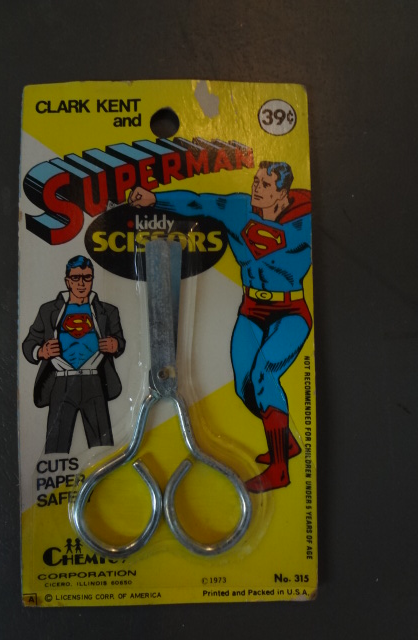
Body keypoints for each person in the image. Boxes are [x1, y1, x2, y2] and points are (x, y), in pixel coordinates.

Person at [129, 161, 311, 493]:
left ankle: (280, 468)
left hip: (290, 312)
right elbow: (197, 202)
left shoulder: (304, 223)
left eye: (265, 185)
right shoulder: (239, 209)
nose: (256, 188)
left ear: (282, 193)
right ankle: (283, 439)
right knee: (244, 387)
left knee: (264, 376)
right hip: (251, 309)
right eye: (256, 181)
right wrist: (155, 199)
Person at [22, 256, 125, 454]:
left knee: (103, 446)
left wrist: (115, 345)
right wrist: (41, 351)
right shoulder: (48, 311)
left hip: (94, 381)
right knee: (55, 447)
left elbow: (120, 341)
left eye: (86, 278)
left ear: (92, 279)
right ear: (67, 281)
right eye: (76, 278)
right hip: (61, 381)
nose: (81, 283)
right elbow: (29, 344)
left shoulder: (108, 311)